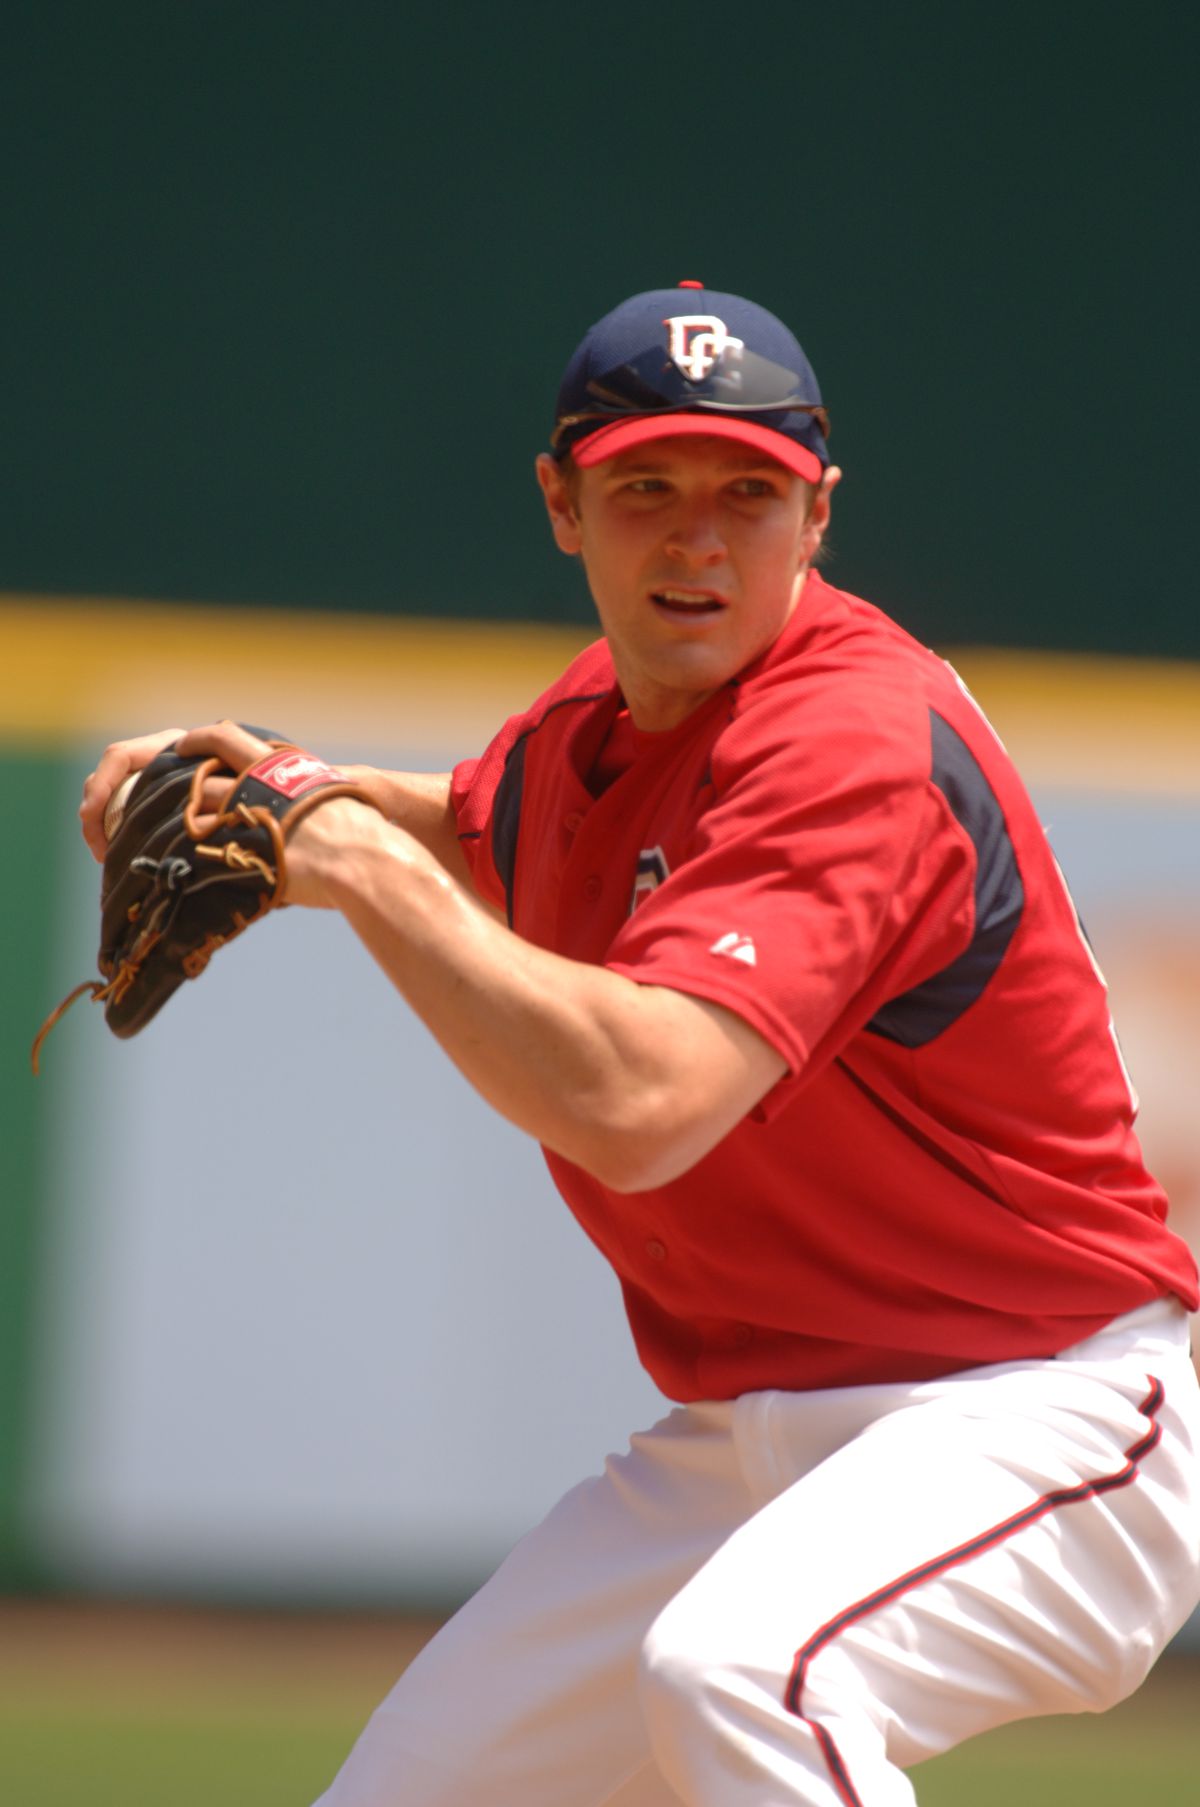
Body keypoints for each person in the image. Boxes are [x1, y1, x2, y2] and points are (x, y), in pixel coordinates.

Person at [80, 283, 1200, 1807]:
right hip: (747, 1439)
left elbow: (643, 1102)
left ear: (820, 515)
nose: (699, 540)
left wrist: (342, 852)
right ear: (563, 504)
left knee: (747, 1681)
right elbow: (495, 825)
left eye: (752, 492)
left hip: (1039, 1411)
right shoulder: (592, 725)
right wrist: (294, 789)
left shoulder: (851, 741)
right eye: (647, 488)